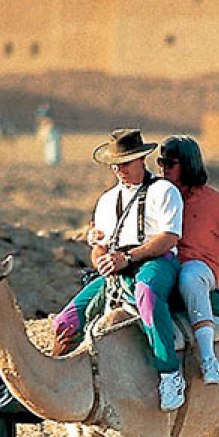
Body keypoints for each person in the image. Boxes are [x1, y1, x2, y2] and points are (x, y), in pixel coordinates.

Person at [51, 128, 186, 411]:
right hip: (116, 268)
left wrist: (128, 258)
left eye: (124, 163)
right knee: (66, 321)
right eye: (115, 164)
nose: (118, 169)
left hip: (155, 261)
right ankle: (60, 381)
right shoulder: (106, 201)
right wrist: (100, 257)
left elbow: (168, 237)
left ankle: (169, 373)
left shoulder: (164, 191)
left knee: (147, 295)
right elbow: (99, 245)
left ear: (141, 160)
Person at [157, 135, 219, 384]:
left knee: (190, 277)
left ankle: (208, 358)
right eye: (160, 162)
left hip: (196, 267)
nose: (163, 168)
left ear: (187, 164)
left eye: (169, 163)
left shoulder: (215, 203)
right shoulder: (159, 195)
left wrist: (206, 252)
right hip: (164, 262)